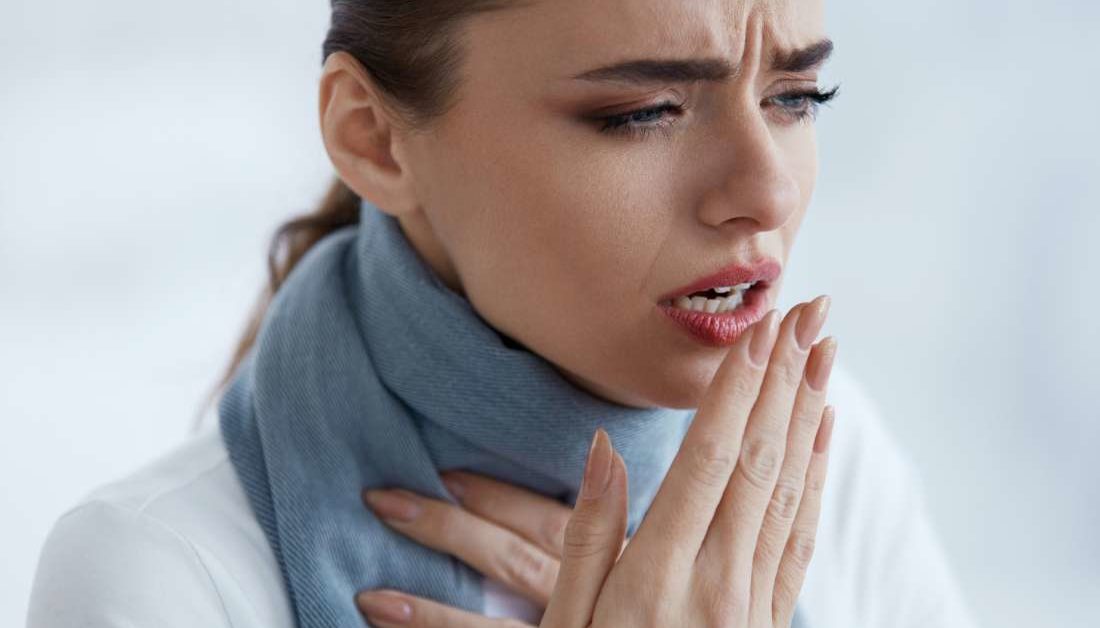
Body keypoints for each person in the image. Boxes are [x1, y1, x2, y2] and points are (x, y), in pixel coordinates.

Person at [26, 1, 980, 626]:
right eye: (643, 111)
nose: (766, 191)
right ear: (375, 140)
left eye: (798, 97)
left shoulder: (830, 462)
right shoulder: (157, 576)